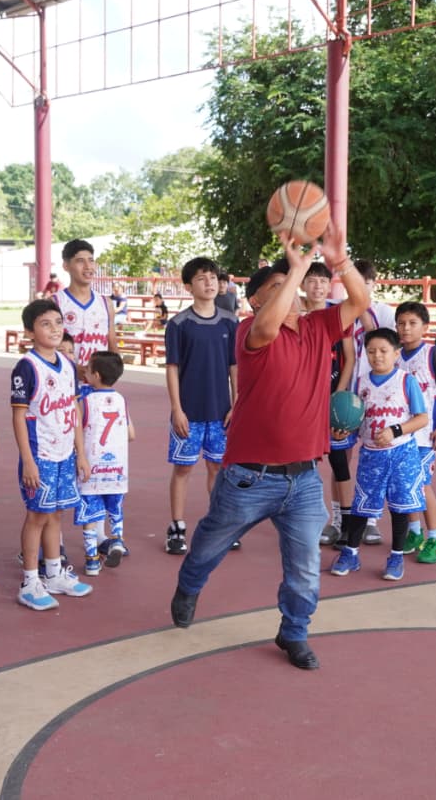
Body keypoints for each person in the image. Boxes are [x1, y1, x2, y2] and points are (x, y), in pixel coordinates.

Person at [170, 221, 370, 671]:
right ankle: (189, 586)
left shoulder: (320, 327)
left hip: (302, 479)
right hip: (247, 478)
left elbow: (360, 301)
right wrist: (295, 270)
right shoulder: (249, 332)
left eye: (294, 284)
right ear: (256, 298)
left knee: (304, 567)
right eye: (279, 286)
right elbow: (267, 326)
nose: (294, 289)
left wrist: (339, 261)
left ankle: (293, 631)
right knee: (208, 548)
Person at [12, 299, 94, 610]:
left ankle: (54, 572)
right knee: (37, 515)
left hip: (64, 453)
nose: (55, 329)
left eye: (58, 322)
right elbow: (19, 416)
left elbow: (73, 409)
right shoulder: (27, 367)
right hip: (41, 454)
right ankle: (30, 580)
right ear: (30, 331)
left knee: (57, 513)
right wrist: (28, 460)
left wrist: (81, 453)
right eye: (45, 324)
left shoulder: (69, 365)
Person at [330, 328, 428, 582]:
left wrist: (396, 430)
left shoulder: (406, 381)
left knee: (399, 508)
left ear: (396, 353)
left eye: (384, 351)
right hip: (371, 456)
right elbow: (354, 421)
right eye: (371, 351)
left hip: (402, 454)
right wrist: (342, 434)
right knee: (362, 507)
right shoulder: (360, 383)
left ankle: (396, 556)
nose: (377, 356)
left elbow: (422, 418)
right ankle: (350, 553)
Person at [163, 257, 238, 556]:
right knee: (183, 469)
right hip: (189, 412)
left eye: (212, 277)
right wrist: (177, 409)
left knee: (217, 468)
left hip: (221, 412)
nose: (208, 283)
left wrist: (237, 402)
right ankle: (177, 527)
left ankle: (220, 525)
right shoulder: (179, 324)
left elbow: (234, 366)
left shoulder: (230, 322)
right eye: (201, 278)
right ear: (188, 286)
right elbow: (171, 368)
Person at [301, 262, 356, 548]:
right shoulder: (296, 317)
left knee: (339, 462)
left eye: (322, 281)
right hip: (304, 402)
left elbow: (350, 357)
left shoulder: (338, 316)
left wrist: (341, 392)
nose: (318, 286)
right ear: (303, 285)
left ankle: (344, 522)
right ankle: (309, 520)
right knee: (305, 463)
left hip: (332, 399)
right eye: (312, 281)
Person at [395, 302, 436, 563]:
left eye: (412, 323)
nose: (406, 328)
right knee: (405, 485)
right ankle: (415, 532)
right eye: (401, 323)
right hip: (401, 434)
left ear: (425, 327)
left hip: (425, 434)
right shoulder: (394, 355)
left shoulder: (432, 353)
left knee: (422, 485)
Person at [349, 259, 397, 545]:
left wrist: (362, 306)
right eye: (353, 281)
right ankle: (342, 516)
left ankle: (371, 519)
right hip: (348, 390)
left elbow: (380, 341)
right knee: (342, 456)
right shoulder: (339, 310)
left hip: (378, 392)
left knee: (377, 456)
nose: (359, 287)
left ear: (373, 284)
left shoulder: (384, 313)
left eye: (364, 282)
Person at [77, 351, 135, 575]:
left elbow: (78, 429)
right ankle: (117, 539)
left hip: (91, 466)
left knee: (90, 514)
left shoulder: (86, 401)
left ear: (96, 375)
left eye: (89, 370)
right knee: (115, 507)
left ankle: (92, 559)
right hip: (118, 468)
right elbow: (131, 434)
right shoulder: (121, 400)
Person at [52, 240, 117, 374]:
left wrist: (112, 373)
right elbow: (45, 348)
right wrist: (73, 369)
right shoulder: (55, 302)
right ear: (66, 266)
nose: (88, 266)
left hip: (97, 386)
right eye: (80, 261)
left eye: (91, 260)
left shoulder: (106, 303)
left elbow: (112, 344)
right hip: (64, 384)